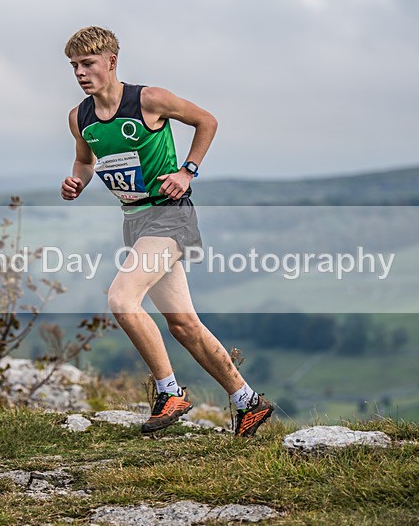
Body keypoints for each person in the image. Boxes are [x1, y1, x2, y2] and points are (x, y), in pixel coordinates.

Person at [60, 26, 273, 437]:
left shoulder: (148, 100)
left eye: (88, 64)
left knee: (122, 299)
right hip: (136, 222)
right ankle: (248, 401)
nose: (81, 73)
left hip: (170, 217)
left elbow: (206, 121)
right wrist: (76, 181)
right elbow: (84, 161)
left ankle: (168, 392)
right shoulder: (79, 117)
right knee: (183, 325)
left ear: (111, 62)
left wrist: (187, 170)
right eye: (74, 66)